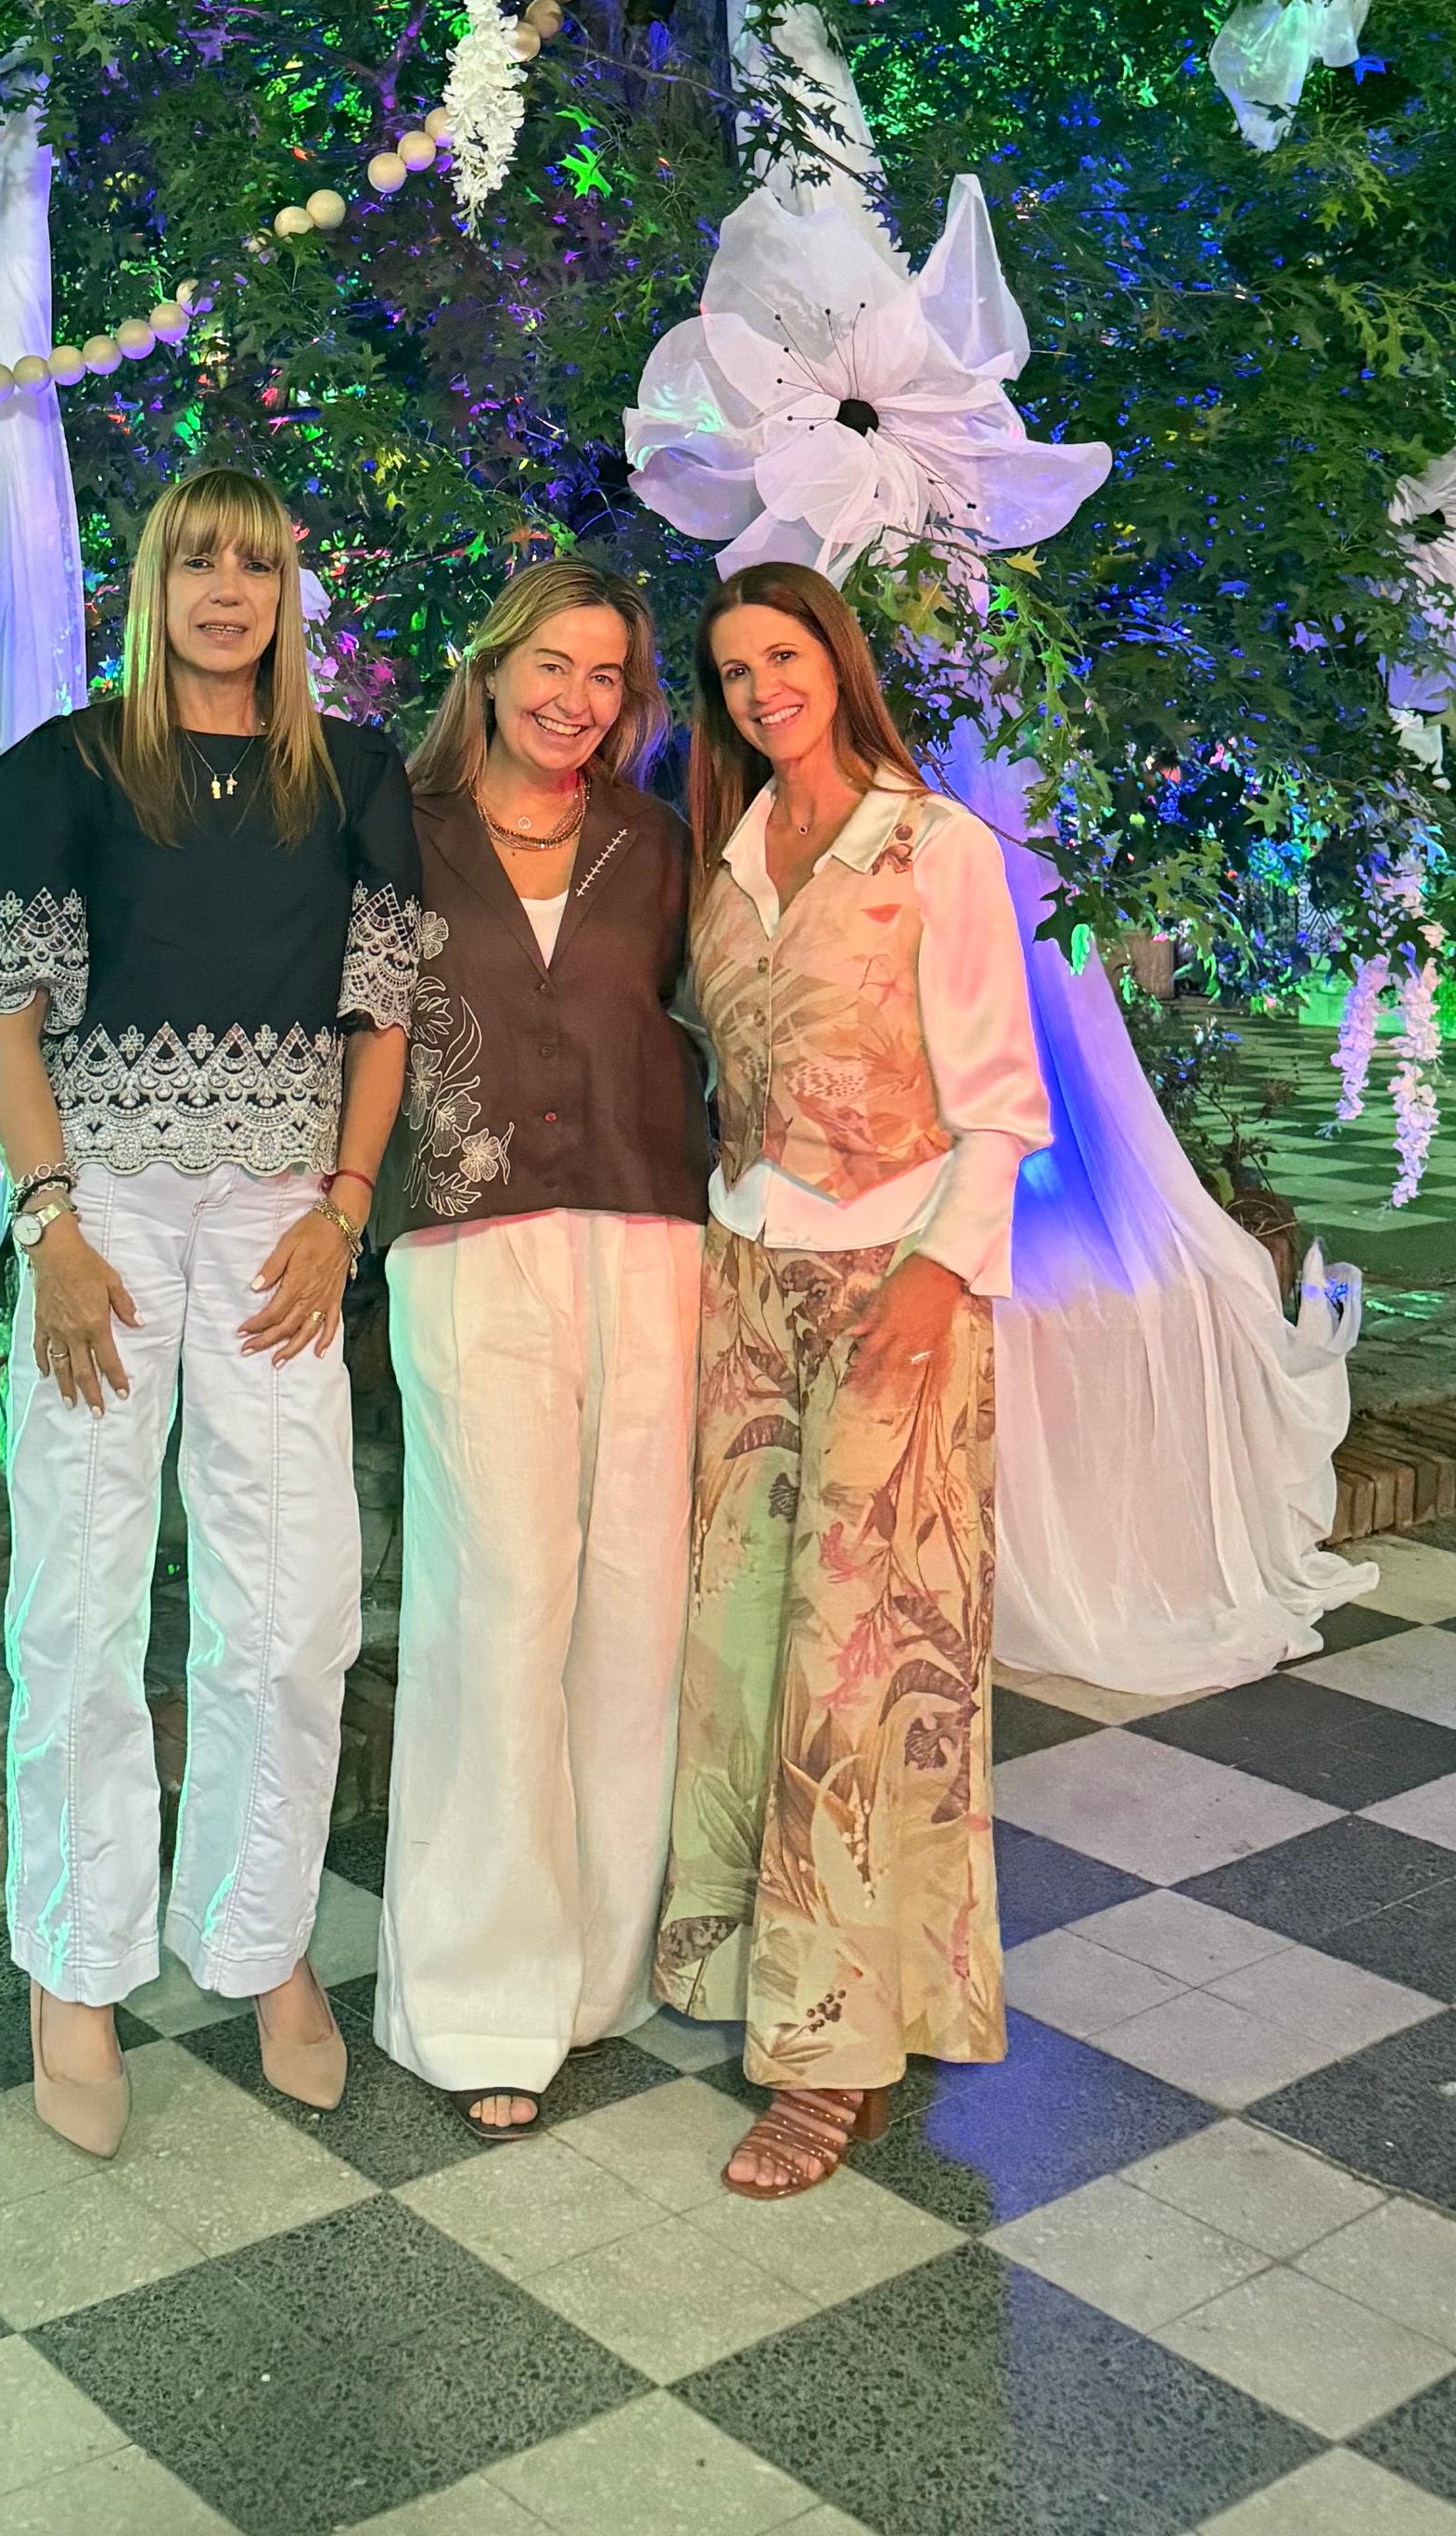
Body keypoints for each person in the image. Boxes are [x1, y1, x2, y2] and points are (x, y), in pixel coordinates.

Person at [0, 464, 418, 2154]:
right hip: (106, 1213)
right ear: (152, 587)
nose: (229, 590)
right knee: (79, 1599)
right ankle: (75, 1966)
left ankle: (259, 1932)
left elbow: (382, 1022)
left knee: (291, 1604)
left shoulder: (355, 775)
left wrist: (346, 1210)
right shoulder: (58, 771)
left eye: (258, 565)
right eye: (198, 562)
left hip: (285, 1221)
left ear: (290, 591)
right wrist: (50, 1223)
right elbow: (7, 1019)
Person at [654, 561, 1050, 2197]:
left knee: (860, 1670)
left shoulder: (933, 847)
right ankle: (770, 1972)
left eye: (785, 654)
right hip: (747, 1280)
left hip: (899, 1285)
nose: (764, 689)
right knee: (744, 1645)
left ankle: (832, 2060)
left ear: (838, 659)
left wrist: (937, 1278)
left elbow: (1002, 1097)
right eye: (736, 670)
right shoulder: (730, 857)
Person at [374, 561, 712, 2136]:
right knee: (498, 1606)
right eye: (553, 665)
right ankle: (478, 1996)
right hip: (467, 1241)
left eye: (607, 676)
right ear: (494, 668)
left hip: (653, 1236)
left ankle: (595, 1973)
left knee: (633, 1609)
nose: (578, 699)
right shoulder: (398, 826)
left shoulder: (660, 842)